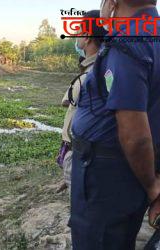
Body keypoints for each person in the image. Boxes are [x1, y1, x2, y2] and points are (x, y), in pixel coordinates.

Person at [69, 0, 160, 249]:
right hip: (123, 173)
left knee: (99, 241)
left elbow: (135, 135)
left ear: (113, 2)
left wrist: (153, 187)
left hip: (107, 178)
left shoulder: (127, 41)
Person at [57, 10, 107, 192]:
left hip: (83, 155)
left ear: (87, 37)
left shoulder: (93, 74)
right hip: (80, 155)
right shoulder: (95, 68)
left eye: (78, 30)